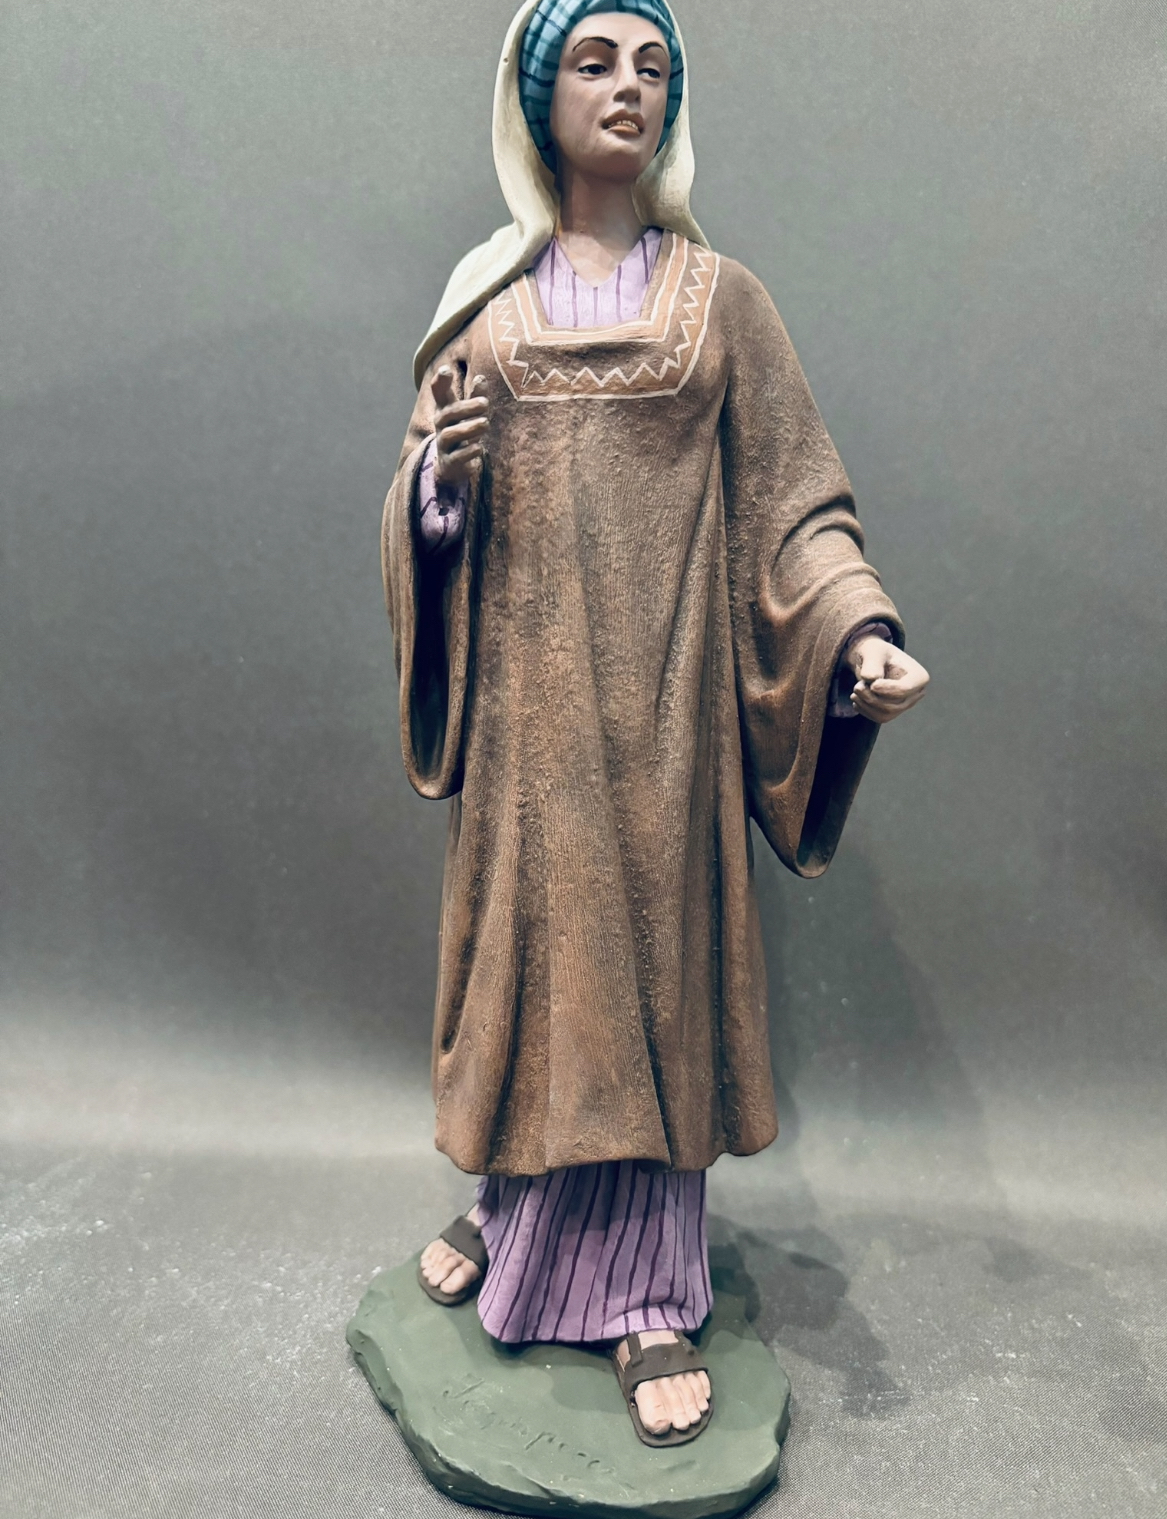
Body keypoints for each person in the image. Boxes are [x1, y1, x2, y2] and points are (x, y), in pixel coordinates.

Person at [382, 0, 929, 1446]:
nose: (627, 87)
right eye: (593, 61)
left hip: (668, 726)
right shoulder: (487, 304)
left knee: (648, 985)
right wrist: (439, 494)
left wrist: (856, 630)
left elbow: (794, 505)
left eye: (652, 65)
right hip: (527, 725)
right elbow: (420, 509)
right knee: (532, 979)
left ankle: (643, 1294)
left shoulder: (721, 302)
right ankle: (517, 1218)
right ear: (536, 97)